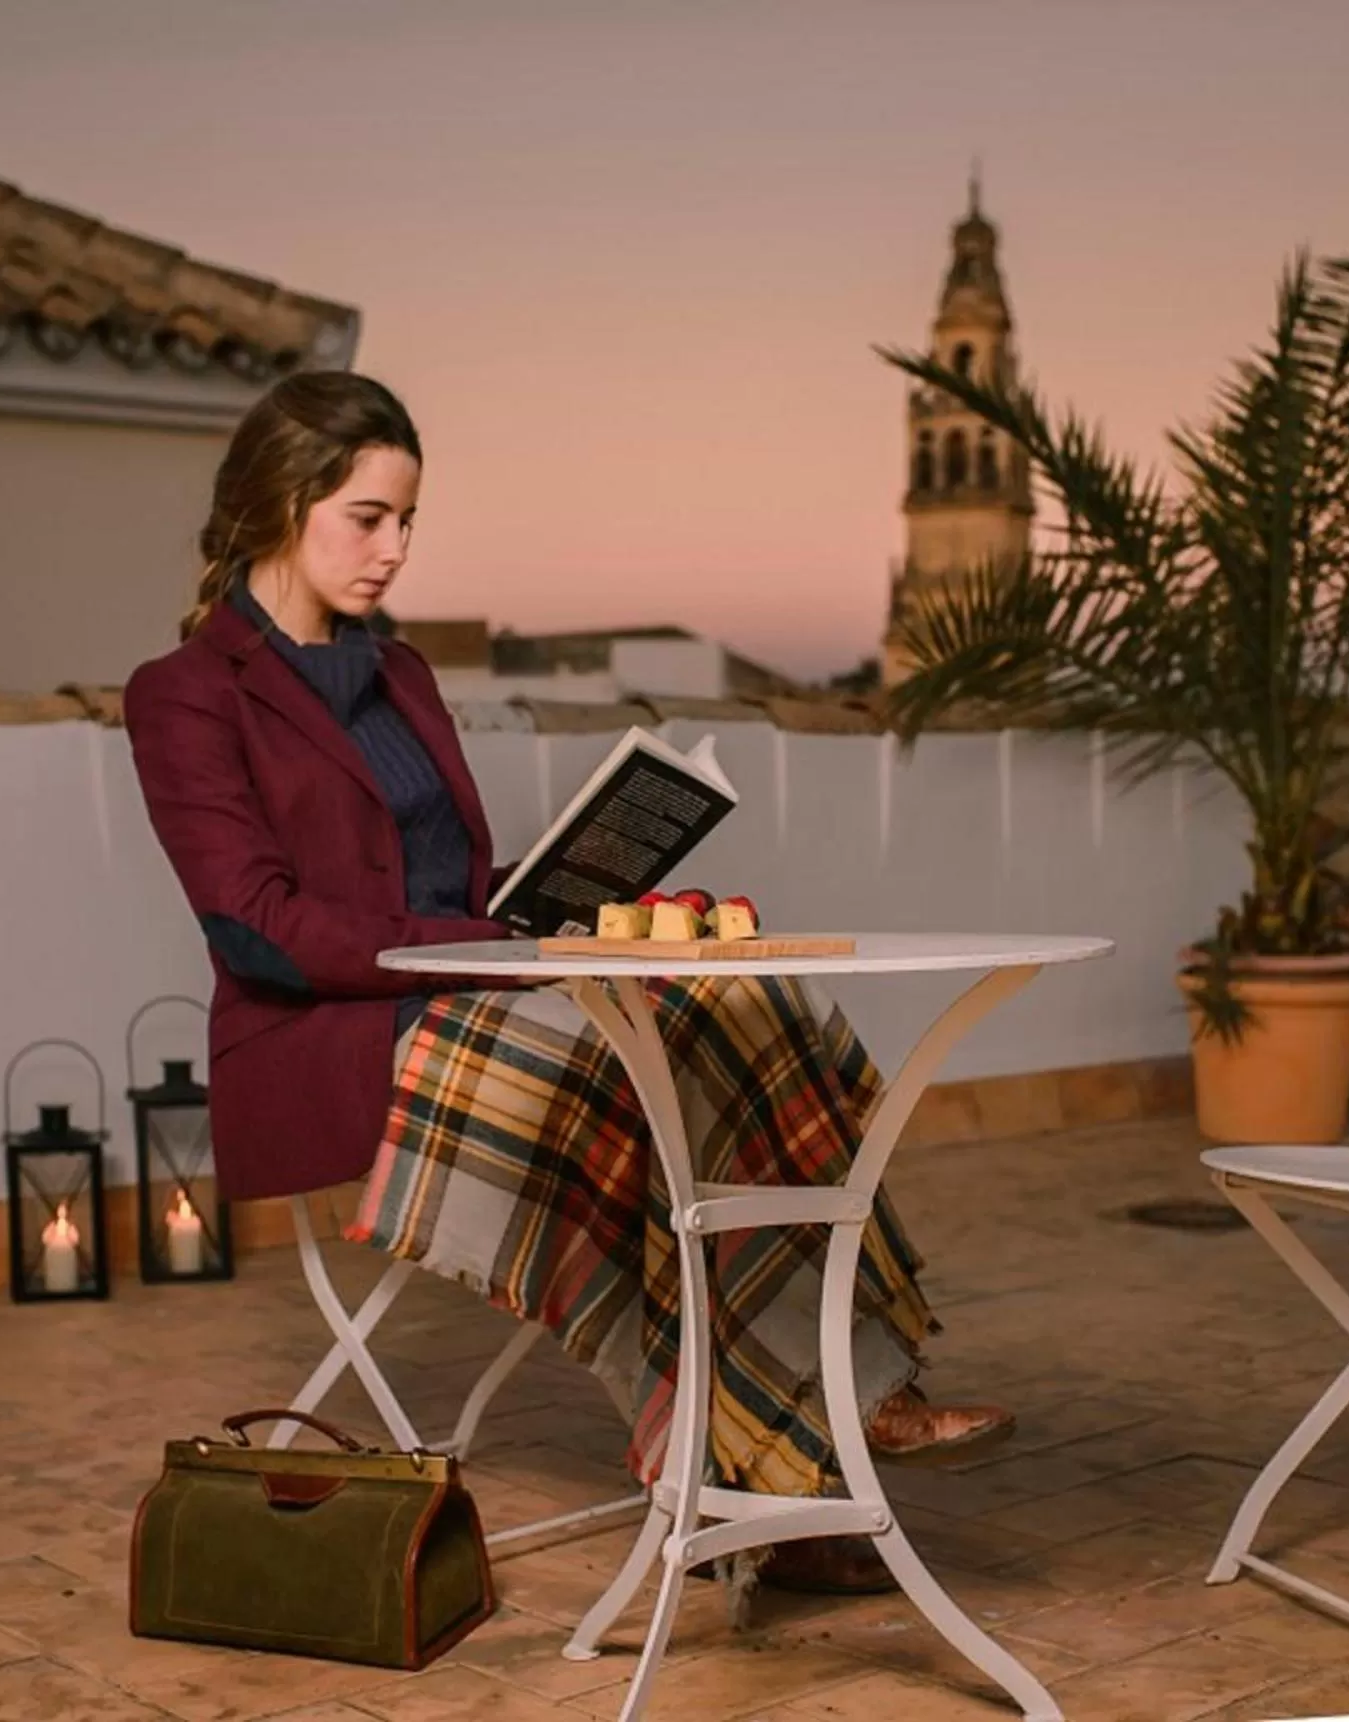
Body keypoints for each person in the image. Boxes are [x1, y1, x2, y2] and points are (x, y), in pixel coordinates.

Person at [121, 371, 1012, 1596]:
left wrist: (558, 911)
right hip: (324, 1045)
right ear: (279, 504)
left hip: (477, 992)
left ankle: (832, 1412)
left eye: (408, 521)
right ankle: (760, 1466)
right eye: (367, 519)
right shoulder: (183, 695)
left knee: (739, 1007)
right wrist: (478, 947)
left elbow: (462, 877)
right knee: (611, 1068)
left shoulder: (405, 677)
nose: (394, 551)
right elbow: (258, 932)